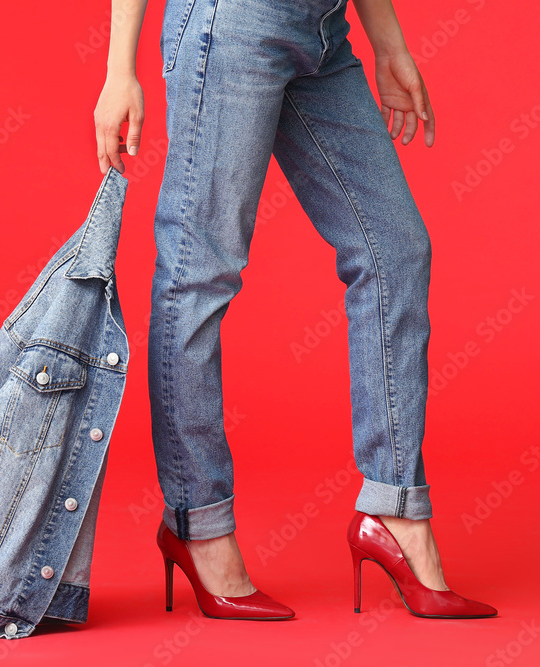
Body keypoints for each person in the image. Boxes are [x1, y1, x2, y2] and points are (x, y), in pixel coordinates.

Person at [94, 0, 497, 620]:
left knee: (394, 248)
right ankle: (197, 523)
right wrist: (120, 66)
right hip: (230, 25)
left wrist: (387, 42)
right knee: (199, 273)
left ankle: (394, 509)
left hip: (323, 31)